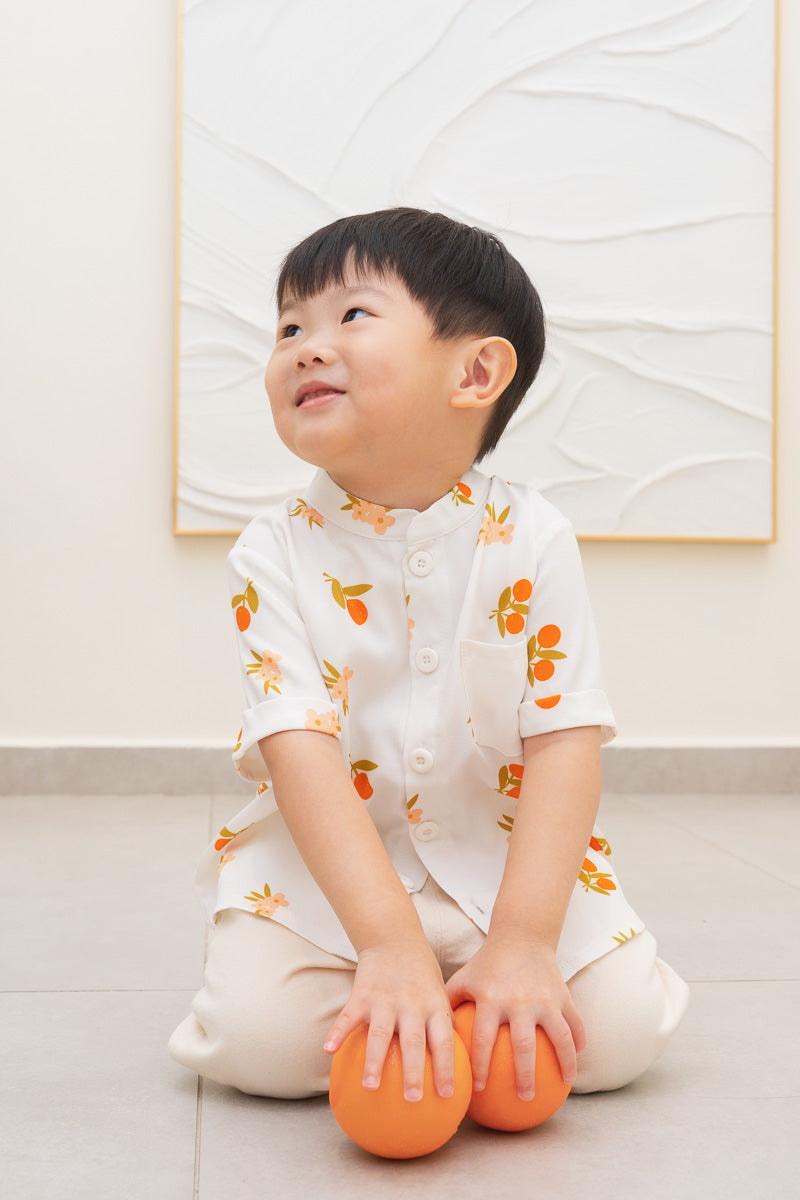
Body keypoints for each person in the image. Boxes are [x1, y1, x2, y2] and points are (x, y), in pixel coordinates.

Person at [169, 208, 688, 1104]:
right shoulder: (271, 552)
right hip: (332, 872)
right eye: (289, 326)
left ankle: (478, 980)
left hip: (504, 858)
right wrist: (388, 946)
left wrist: (526, 940)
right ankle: (397, 981)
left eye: (351, 318)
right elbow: (300, 750)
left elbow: (565, 739)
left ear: (476, 371)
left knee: (618, 1035)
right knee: (260, 1047)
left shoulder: (534, 535)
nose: (304, 346)